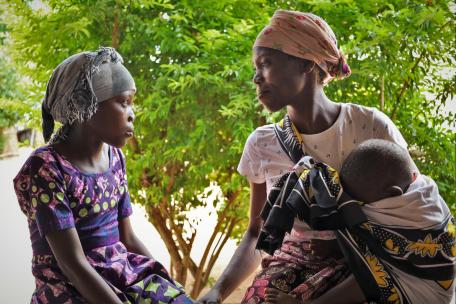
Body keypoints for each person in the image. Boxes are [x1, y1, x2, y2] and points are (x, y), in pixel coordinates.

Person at [198, 9, 418, 304]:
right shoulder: (263, 144)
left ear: (306, 64)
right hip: (291, 271)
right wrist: (218, 290)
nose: (255, 78)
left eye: (266, 64)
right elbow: (257, 233)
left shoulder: (370, 126)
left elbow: (411, 216)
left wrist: (344, 246)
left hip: (365, 269)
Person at [13, 47, 194, 304]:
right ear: (87, 105)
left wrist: (171, 287)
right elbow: (71, 263)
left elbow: (128, 239)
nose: (132, 113)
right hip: (69, 286)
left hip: (119, 272)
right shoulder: (45, 167)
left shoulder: (115, 158)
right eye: (123, 102)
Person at [260, 139, 455, 303]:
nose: (356, 207)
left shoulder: (418, 214)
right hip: (406, 270)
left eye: (362, 202)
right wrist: (336, 245)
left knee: (370, 272)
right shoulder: (411, 188)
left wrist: (338, 245)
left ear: (392, 193)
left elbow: (380, 253)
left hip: (423, 293)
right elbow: (381, 243)